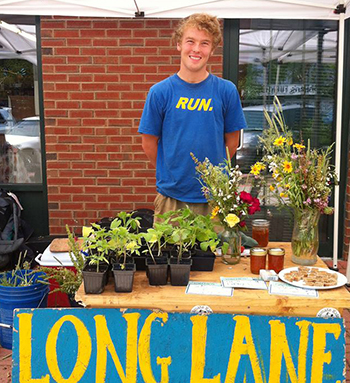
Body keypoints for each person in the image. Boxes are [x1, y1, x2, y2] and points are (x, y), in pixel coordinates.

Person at [138, 13, 247, 220]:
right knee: (169, 251)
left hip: (215, 198)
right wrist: (172, 171)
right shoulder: (160, 92)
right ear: (179, 44)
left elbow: (232, 143)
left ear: (212, 50)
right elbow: (148, 143)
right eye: (191, 41)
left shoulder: (226, 91)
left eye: (204, 43)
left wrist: (213, 176)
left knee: (215, 252)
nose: (196, 49)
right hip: (172, 198)